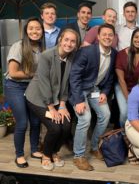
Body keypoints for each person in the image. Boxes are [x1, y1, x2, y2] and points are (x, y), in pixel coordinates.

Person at [25, 29, 80, 171]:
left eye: (72, 41)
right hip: (37, 98)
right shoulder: (47, 55)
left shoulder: (72, 57)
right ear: (60, 40)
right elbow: (43, 83)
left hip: (56, 99)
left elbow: (66, 83)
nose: (69, 43)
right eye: (66, 39)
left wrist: (62, 105)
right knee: (55, 127)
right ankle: (46, 155)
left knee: (67, 126)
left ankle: (54, 151)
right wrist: (51, 108)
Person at [69, 23, 117, 171]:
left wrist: (104, 92)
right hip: (79, 90)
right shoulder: (87, 51)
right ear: (98, 37)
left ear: (114, 37)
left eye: (110, 35)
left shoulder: (114, 53)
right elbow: (74, 76)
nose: (107, 37)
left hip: (95, 90)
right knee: (85, 118)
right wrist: (78, 100)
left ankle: (94, 147)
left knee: (106, 114)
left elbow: (109, 78)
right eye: (104, 34)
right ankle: (78, 156)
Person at [4, 17, 45, 168]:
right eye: (31, 28)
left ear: (42, 31)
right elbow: (13, 72)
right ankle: (19, 155)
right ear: (26, 31)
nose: (35, 31)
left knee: (35, 121)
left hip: (33, 88)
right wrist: (34, 74)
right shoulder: (18, 46)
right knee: (22, 122)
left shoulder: (42, 49)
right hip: (15, 86)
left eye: (38, 28)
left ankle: (34, 150)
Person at [115, 28, 139, 128]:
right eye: (136, 37)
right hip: (123, 86)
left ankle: (134, 134)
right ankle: (123, 134)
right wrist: (129, 98)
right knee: (125, 112)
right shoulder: (121, 54)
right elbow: (121, 80)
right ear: (132, 38)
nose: (138, 40)